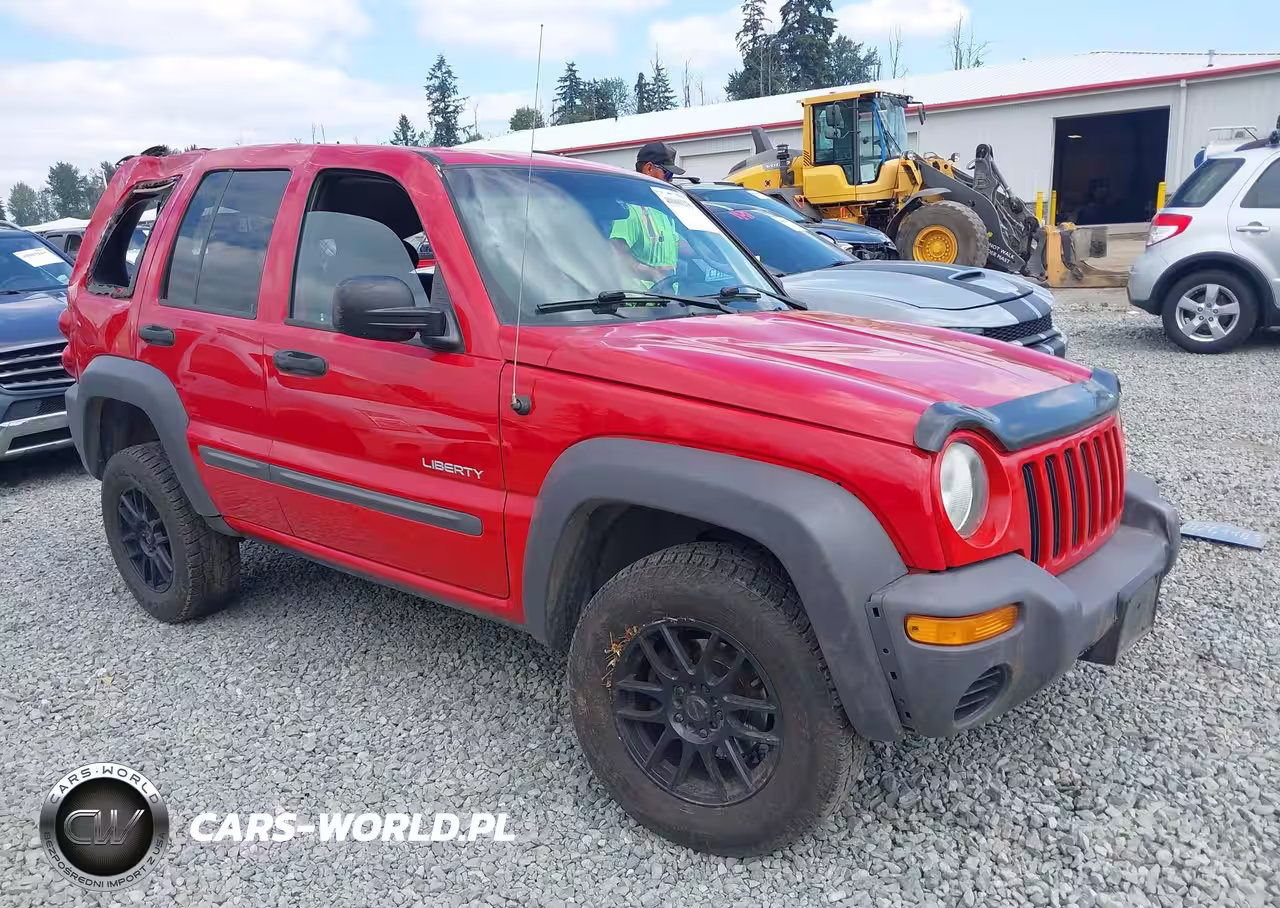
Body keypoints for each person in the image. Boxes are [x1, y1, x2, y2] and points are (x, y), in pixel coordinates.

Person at [608, 142, 686, 283]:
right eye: (667, 174)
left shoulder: (664, 211)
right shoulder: (629, 210)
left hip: (670, 298)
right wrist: (650, 273)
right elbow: (617, 255)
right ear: (649, 168)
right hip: (639, 301)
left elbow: (679, 246)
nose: (670, 180)